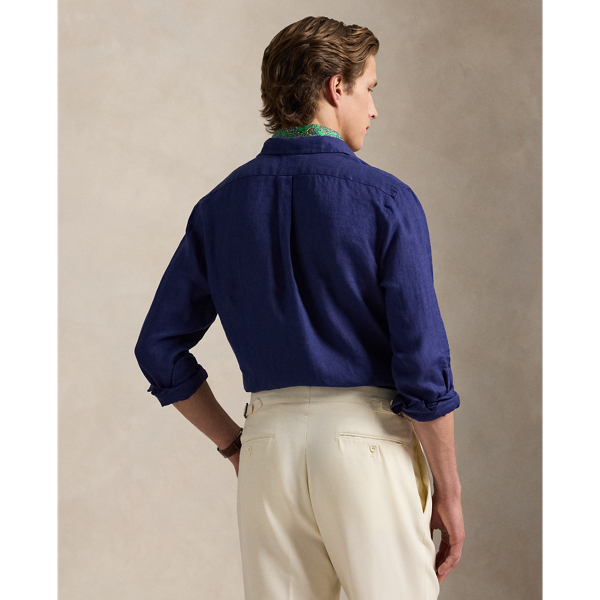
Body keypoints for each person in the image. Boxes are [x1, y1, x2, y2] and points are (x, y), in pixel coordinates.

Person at [135, 15, 464, 600]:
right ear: (336, 87)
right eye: (369, 89)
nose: (373, 109)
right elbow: (422, 364)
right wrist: (449, 492)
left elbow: (158, 347)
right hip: (368, 448)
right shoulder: (387, 201)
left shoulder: (219, 207)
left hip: (269, 451)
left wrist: (235, 445)